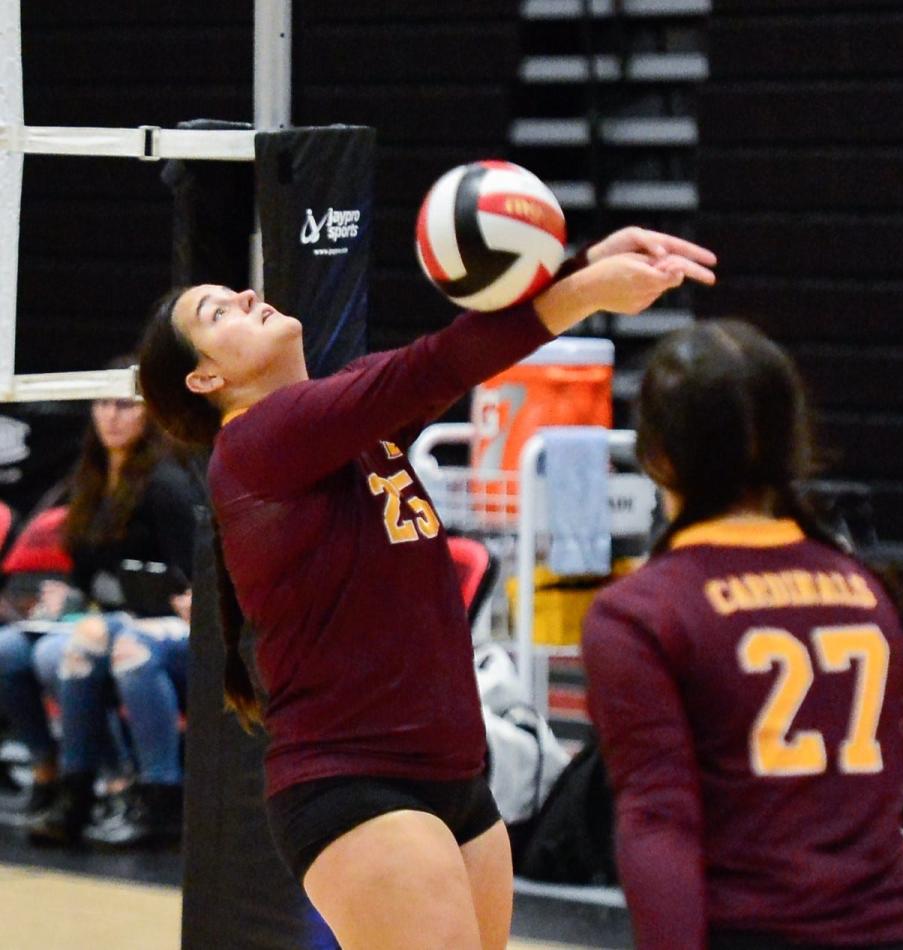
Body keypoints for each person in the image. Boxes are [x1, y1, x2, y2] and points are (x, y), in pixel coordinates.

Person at [136, 225, 716, 950]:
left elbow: (460, 351)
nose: (247, 296)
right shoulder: (258, 439)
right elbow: (435, 363)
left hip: (455, 776)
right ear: (205, 379)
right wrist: (586, 291)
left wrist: (587, 264)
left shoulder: (341, 419)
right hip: (356, 784)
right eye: (216, 313)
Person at [581, 320, 903, 950]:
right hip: (901, 931)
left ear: (658, 454)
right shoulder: (864, 587)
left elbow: (658, 824)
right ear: (788, 443)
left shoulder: (639, 611)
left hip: (756, 930)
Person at [0, 365, 199, 844]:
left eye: (125, 405)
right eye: (103, 404)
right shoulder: (87, 481)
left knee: (99, 652)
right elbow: (89, 577)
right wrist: (65, 600)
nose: (112, 416)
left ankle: (154, 796)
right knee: (13, 650)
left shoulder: (166, 483)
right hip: (108, 617)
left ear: (149, 414)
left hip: (170, 623)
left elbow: (197, 578)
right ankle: (65, 783)